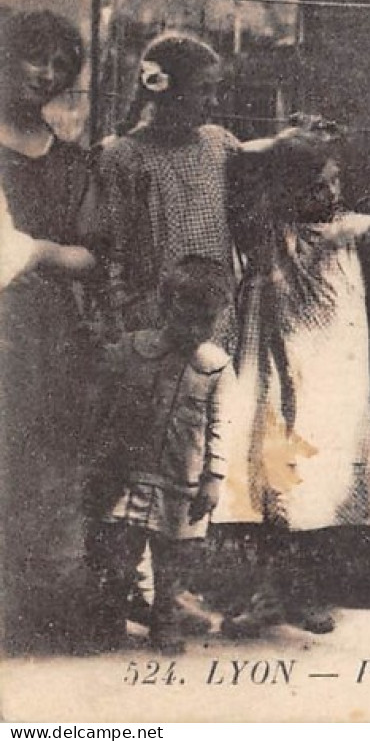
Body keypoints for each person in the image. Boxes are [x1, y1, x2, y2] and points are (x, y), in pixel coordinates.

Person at [215, 116, 370, 637]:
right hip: (278, 367)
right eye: (316, 182)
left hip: (332, 374)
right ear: (290, 183)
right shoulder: (271, 228)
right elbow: (244, 158)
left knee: (321, 482)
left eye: (336, 179)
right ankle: (269, 593)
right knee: (273, 474)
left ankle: (303, 593)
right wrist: (292, 146)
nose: (329, 192)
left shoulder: (348, 227)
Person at [0, 9, 102, 649]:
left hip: (49, 331)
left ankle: (38, 607)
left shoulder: (72, 163)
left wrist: (31, 252)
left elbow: (91, 253)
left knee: (48, 465)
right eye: (35, 57)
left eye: (62, 66)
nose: (47, 74)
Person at [84, 256, 234, 654]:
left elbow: (220, 426)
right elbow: (104, 409)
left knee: (174, 563)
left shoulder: (215, 367)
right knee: (119, 555)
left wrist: (214, 477)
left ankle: (165, 623)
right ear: (165, 306)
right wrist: (101, 461)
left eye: (206, 322)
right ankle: (110, 619)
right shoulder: (132, 349)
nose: (195, 331)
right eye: (186, 319)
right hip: (128, 475)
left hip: (180, 481)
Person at [98, 31, 239, 346]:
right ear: (167, 92)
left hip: (215, 317)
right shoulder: (125, 157)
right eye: (202, 91)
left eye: (215, 91)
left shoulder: (220, 145)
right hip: (155, 321)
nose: (213, 102)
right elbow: (113, 252)